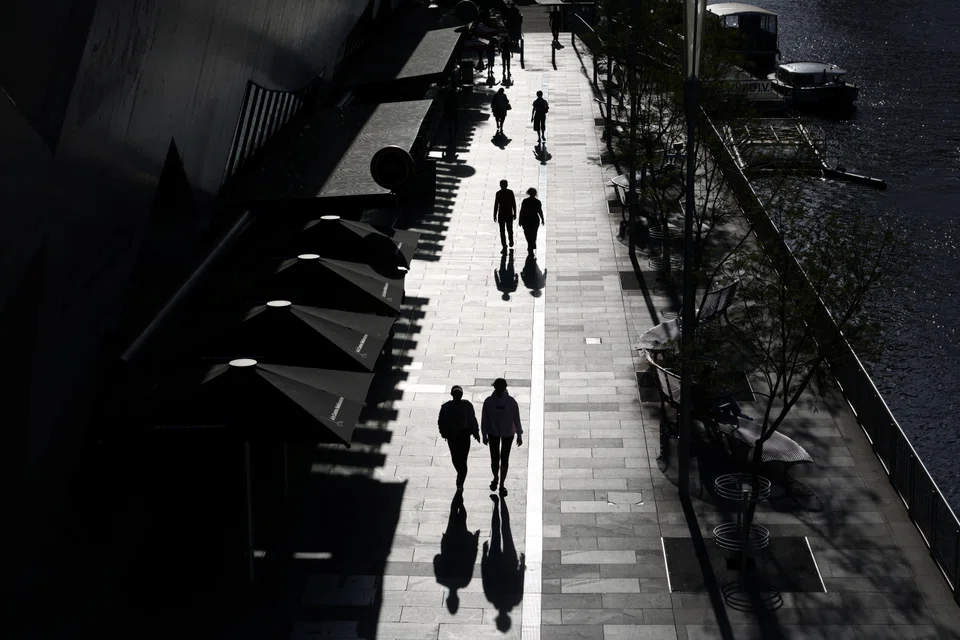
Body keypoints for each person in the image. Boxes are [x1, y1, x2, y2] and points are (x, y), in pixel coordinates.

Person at [481, 378, 523, 496]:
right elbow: (485, 419)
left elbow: (516, 418)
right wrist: (484, 434)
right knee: (495, 459)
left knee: (504, 459)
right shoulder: (489, 402)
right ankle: (496, 477)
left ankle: (502, 484)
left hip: (507, 433)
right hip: (494, 432)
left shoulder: (510, 402)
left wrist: (519, 433)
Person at [438, 385, 481, 492]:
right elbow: (441, 421)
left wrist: (476, 432)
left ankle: (460, 480)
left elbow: (472, 419)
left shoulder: (467, 405)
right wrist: (444, 433)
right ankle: (460, 474)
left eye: (459, 394)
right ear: (452, 395)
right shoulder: (446, 407)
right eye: (456, 394)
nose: (457, 396)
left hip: (464, 435)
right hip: (452, 436)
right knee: (455, 458)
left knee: (463, 459)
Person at [518, 187, 545, 256]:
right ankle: (532, 243)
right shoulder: (537, 202)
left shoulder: (526, 201)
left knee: (528, 233)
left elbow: (522, 211)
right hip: (534, 219)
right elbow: (539, 211)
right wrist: (542, 219)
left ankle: (530, 244)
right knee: (533, 233)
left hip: (526, 219)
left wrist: (520, 220)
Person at [493, 179, 517, 254]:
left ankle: (507, 244)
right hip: (506, 213)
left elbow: (513, 203)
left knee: (505, 230)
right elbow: (496, 204)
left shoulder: (500, 193)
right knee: (506, 230)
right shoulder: (508, 192)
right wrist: (515, 212)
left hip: (503, 213)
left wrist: (494, 214)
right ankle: (507, 243)